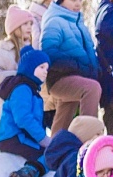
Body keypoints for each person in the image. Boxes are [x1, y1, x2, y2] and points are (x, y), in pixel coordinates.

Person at [44, 0, 107, 131]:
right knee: (91, 89)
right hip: (59, 78)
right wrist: (77, 66)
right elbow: (48, 52)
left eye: (80, 0)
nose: (78, 4)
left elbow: (89, 50)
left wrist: (96, 69)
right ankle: (89, 138)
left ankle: (55, 148)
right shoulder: (54, 21)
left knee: (65, 115)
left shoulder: (79, 23)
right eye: (73, 0)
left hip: (78, 77)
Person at [0, 47, 54, 177]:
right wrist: (42, 138)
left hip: (20, 136)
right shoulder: (22, 88)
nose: (45, 71)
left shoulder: (33, 91)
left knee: (52, 150)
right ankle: (26, 173)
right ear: (30, 68)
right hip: (13, 137)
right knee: (49, 154)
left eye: (47, 68)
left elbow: (35, 118)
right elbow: (22, 118)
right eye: (41, 67)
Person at [0, 6, 39, 140]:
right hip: (6, 116)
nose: (29, 27)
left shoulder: (31, 51)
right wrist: (18, 76)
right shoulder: (3, 49)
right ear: (15, 27)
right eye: (25, 24)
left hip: (27, 114)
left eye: (31, 24)